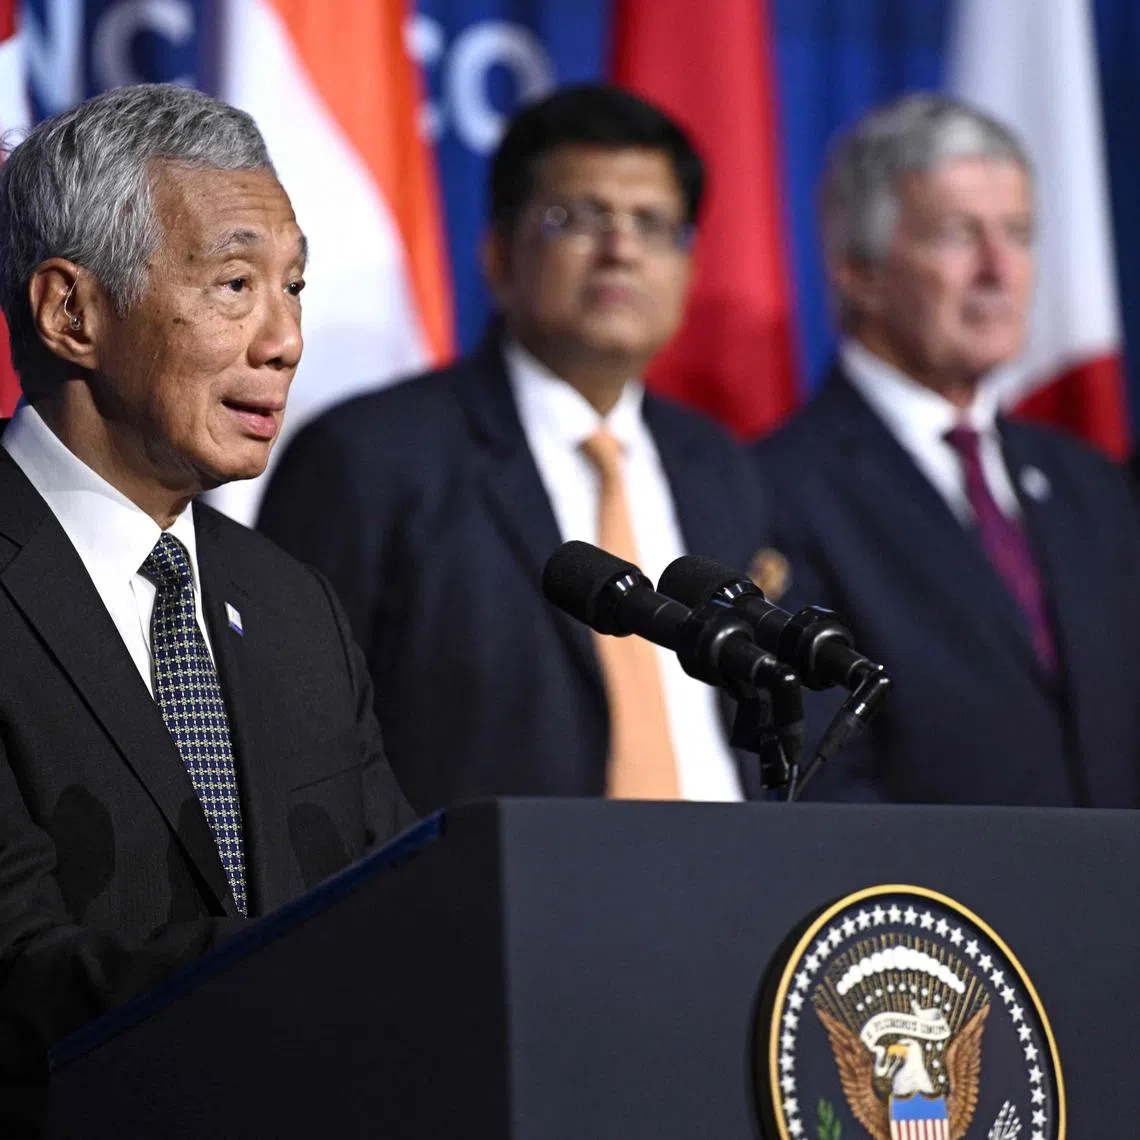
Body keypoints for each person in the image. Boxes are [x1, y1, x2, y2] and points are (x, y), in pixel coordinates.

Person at [0, 84, 413, 1131]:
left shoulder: (290, 605)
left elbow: (403, 898)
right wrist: (308, 963)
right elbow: (18, 972)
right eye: (235, 284)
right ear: (70, 313)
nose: (285, 342)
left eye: (296, 288)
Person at [258, 85, 770, 812]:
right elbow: (301, 746)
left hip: (727, 898)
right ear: (499, 255)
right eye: (580, 219)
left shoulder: (723, 468)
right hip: (487, 906)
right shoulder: (367, 459)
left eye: (653, 224)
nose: (621, 250)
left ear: (689, 265)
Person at [752, 93, 1140, 806]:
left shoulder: (1089, 481)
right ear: (856, 271)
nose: (999, 269)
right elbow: (824, 776)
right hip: (935, 908)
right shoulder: (776, 489)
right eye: (959, 235)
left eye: (1018, 234)